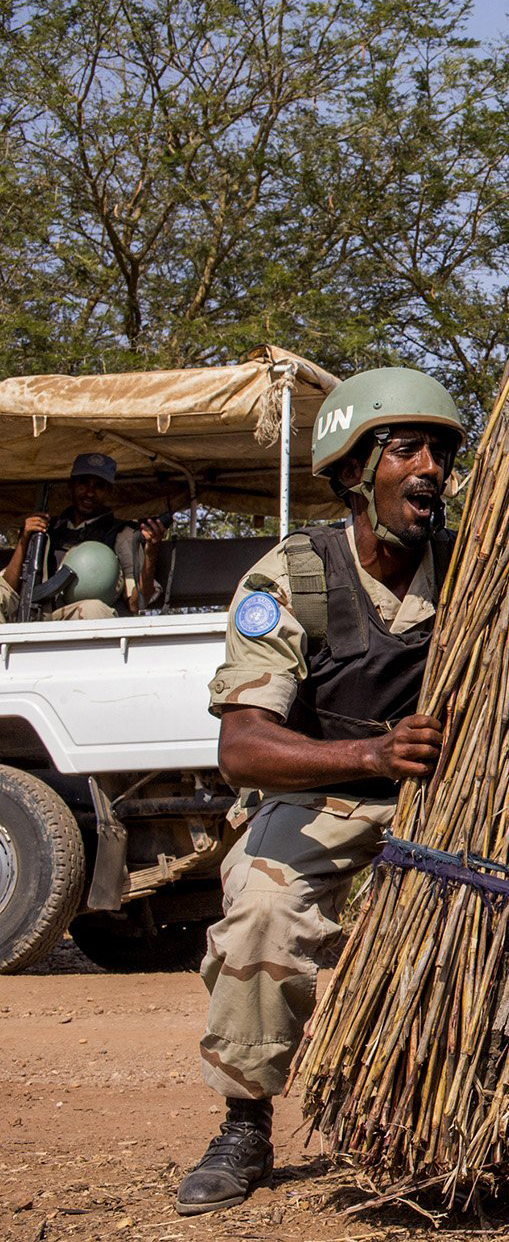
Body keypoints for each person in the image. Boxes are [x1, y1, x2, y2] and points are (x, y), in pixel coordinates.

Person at [175, 367, 463, 1216]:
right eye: (405, 448)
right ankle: (245, 1119)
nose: (431, 469)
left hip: (450, 800)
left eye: (441, 453)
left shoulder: (473, 568)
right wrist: (372, 755)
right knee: (264, 906)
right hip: (333, 790)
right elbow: (243, 746)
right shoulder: (290, 580)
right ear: (349, 471)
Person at [0, 452, 167, 619]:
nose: (90, 492)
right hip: (38, 617)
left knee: (93, 609)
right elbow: (8, 589)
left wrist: (150, 553)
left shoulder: (122, 534)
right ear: (71, 485)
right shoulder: (47, 530)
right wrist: (24, 539)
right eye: (83, 483)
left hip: (79, 619)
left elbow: (136, 603)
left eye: (99, 486)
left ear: (108, 491)